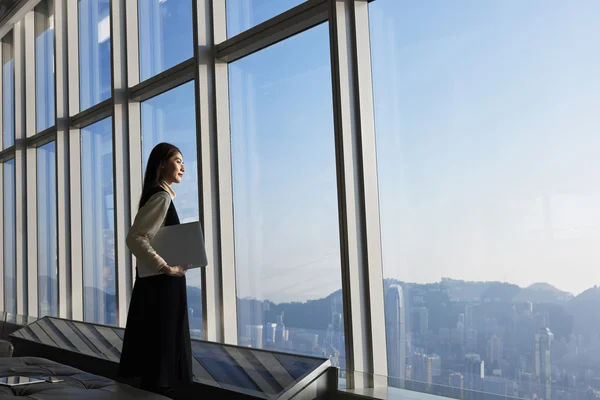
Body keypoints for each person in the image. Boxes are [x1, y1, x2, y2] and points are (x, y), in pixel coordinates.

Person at [118, 142, 193, 398]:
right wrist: (165, 267)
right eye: (178, 160)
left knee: (156, 356)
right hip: (162, 288)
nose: (183, 166)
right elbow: (135, 238)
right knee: (162, 357)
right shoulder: (161, 197)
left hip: (159, 285)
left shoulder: (160, 196)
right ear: (162, 164)